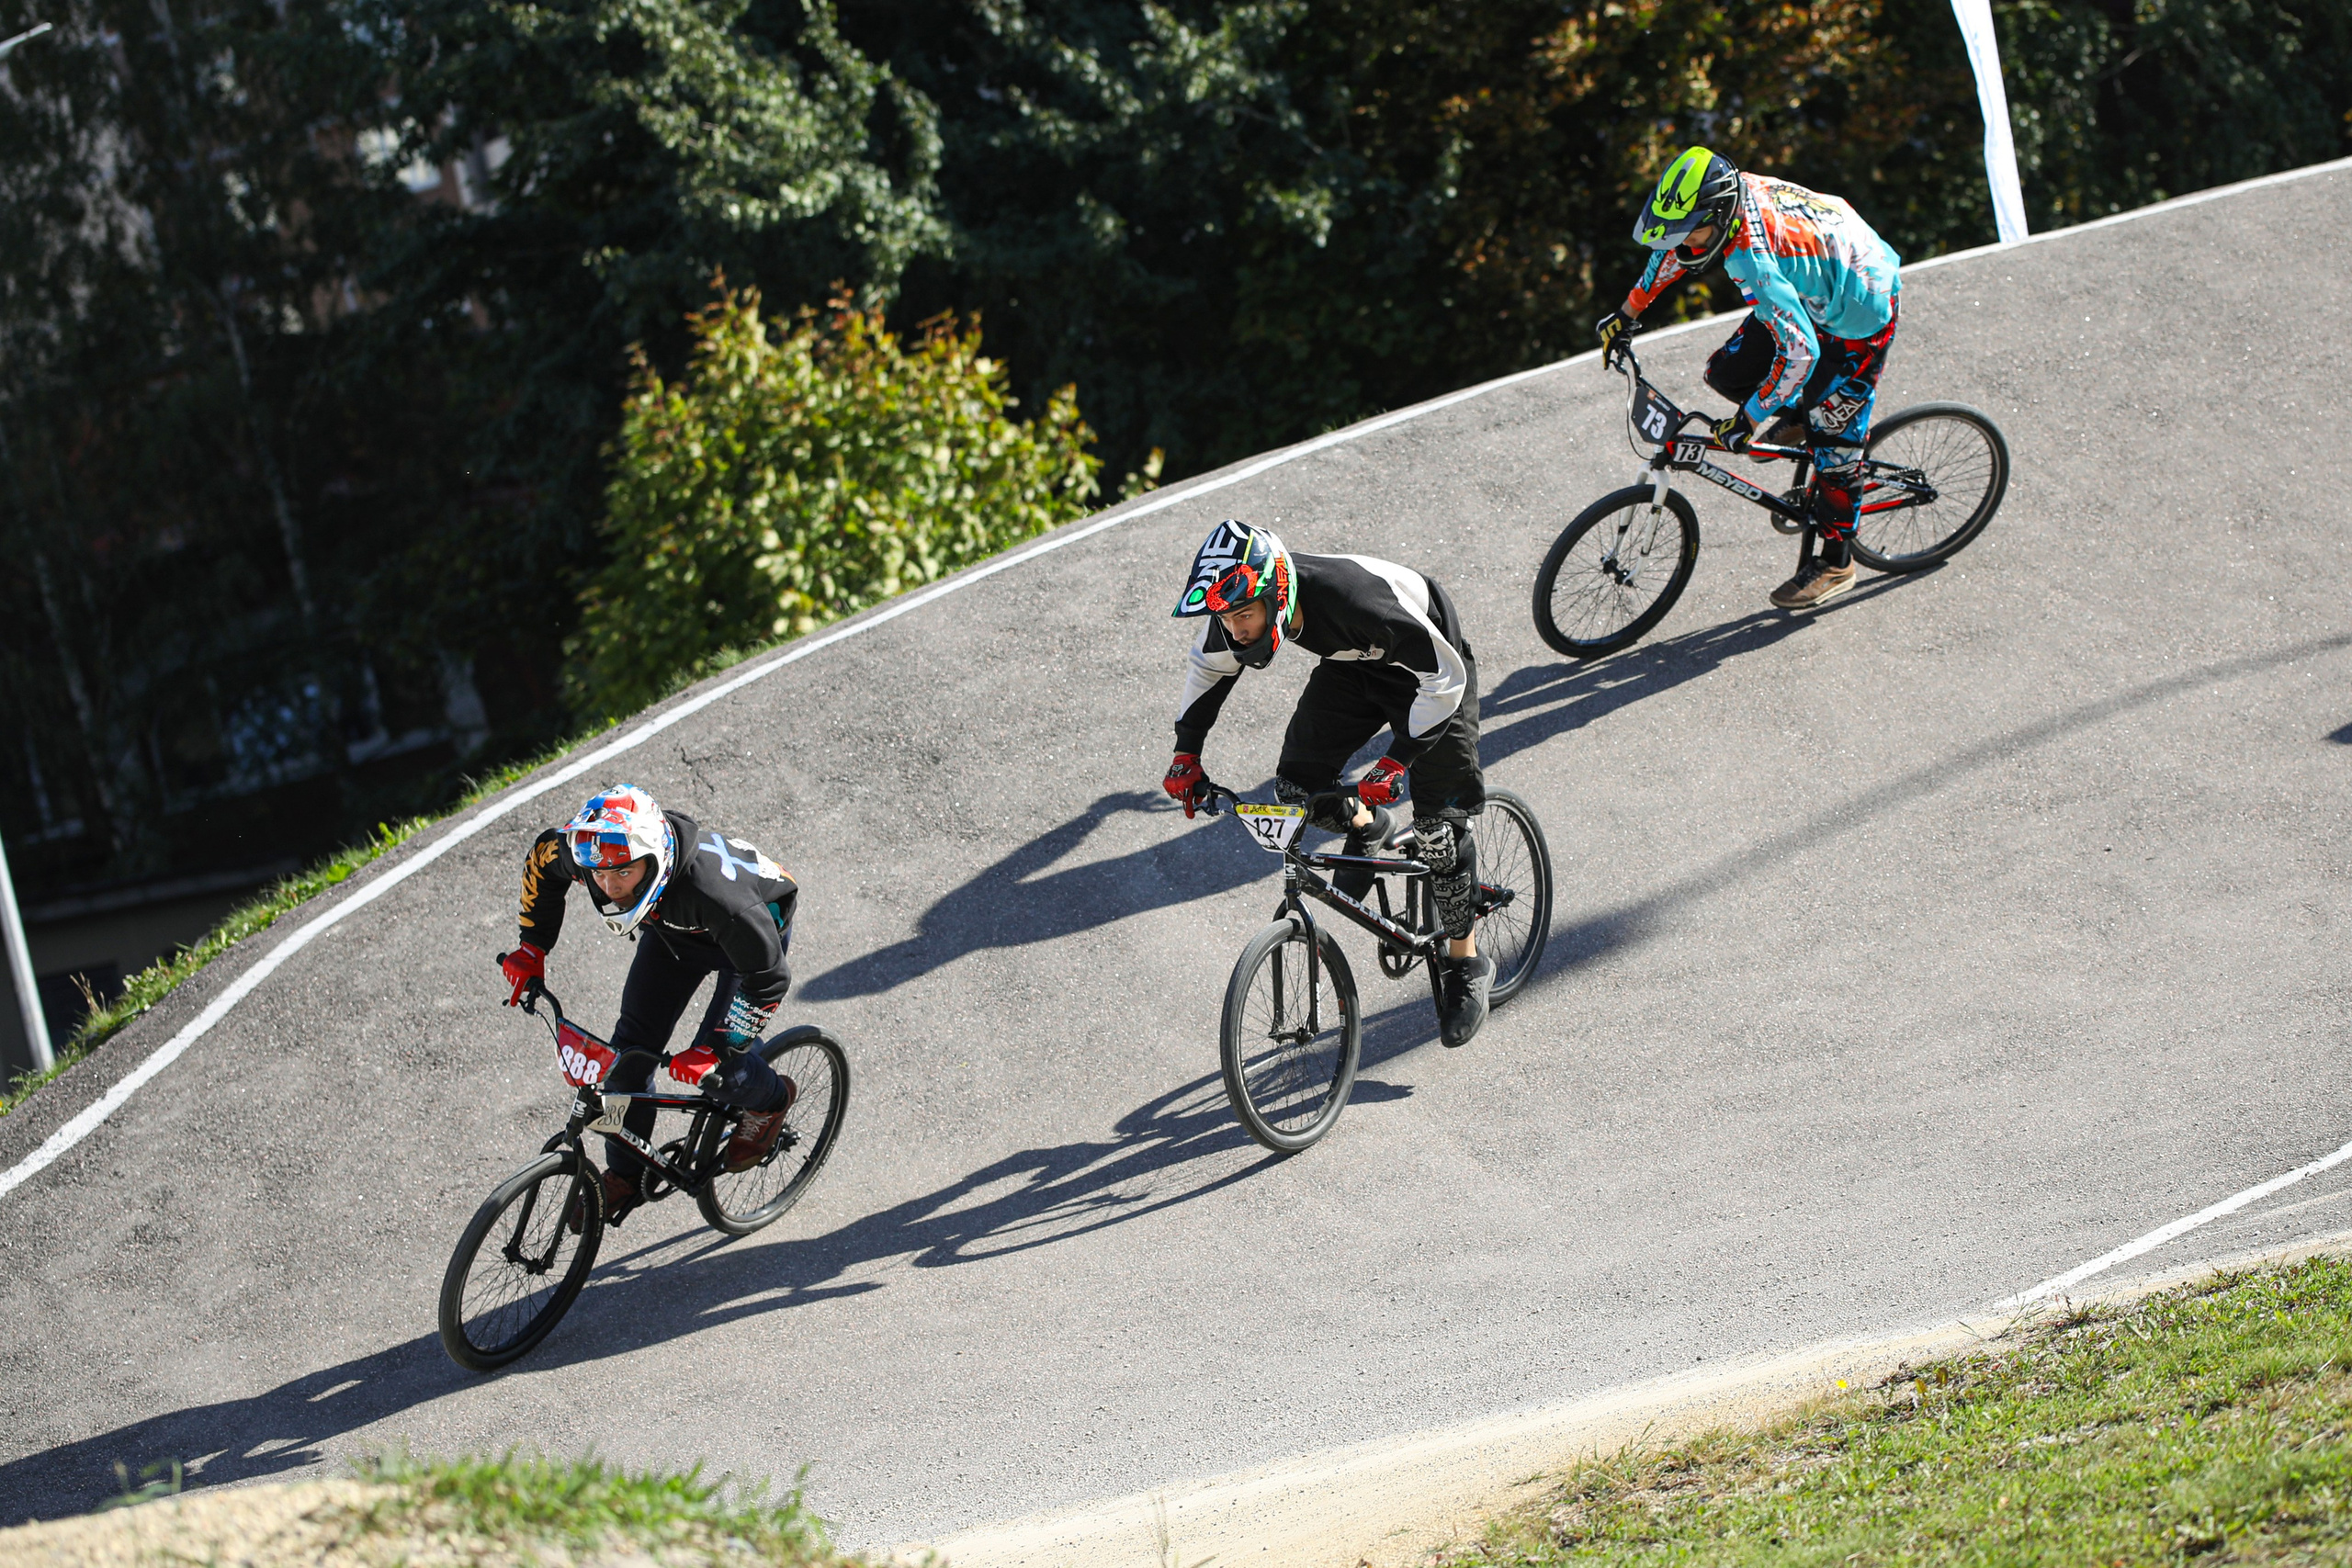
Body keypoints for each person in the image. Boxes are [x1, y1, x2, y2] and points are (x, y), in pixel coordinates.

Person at [1161, 520, 1495, 1047]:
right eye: (1226, 618)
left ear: (1278, 593)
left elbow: (1445, 678)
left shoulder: (1353, 598)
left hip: (1433, 675)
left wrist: (1398, 759)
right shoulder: (1241, 612)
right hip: (1356, 667)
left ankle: (1465, 961)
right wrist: (1187, 754)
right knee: (1297, 789)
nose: (1236, 630)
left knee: (1437, 832)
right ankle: (1369, 826)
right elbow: (1208, 669)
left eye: (1244, 615)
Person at [1596, 145, 1903, 611]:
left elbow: (1801, 351)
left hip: (1860, 315)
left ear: (1718, 218)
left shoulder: (1751, 259)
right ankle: (1805, 416)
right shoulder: (1728, 199)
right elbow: (1672, 251)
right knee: (1724, 374)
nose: (1685, 244)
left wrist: (1751, 419)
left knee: (1835, 454)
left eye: (1691, 233)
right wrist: (1628, 313)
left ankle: (1838, 563)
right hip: (1812, 286)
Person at [497, 784, 798, 1226]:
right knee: (626, 1060)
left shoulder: (718, 898)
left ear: (653, 860)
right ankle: (624, 1174)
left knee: (721, 1074)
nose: (608, 885)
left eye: (621, 874)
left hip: (746, 940)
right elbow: (543, 858)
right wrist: (532, 948)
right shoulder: (600, 852)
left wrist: (717, 1048)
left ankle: (770, 1100)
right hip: (675, 931)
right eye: (598, 876)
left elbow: (769, 979)